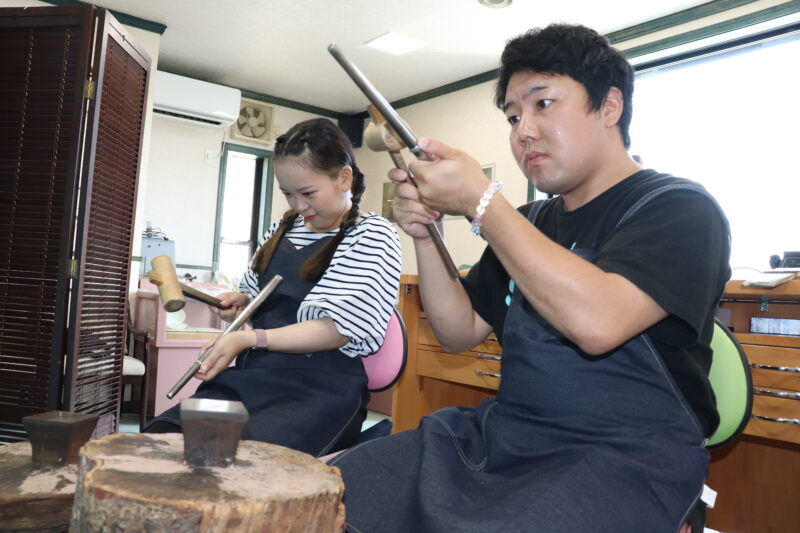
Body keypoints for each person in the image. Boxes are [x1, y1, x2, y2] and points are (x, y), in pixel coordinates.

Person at [329, 23, 731, 532]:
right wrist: (426, 236)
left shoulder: (681, 209)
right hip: (504, 439)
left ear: (609, 107)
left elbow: (598, 321)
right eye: (514, 115)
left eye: (543, 104)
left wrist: (482, 203)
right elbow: (458, 331)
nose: (523, 130)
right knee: (334, 491)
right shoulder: (531, 221)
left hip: (621, 460)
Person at [144, 118, 402, 457]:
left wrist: (249, 338)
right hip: (252, 377)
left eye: (308, 193)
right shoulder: (281, 231)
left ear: (344, 177)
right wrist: (239, 306)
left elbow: (337, 330)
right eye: (288, 194)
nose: (299, 206)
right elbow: (253, 305)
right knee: (162, 444)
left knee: (240, 464)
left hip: (320, 391)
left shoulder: (371, 235)